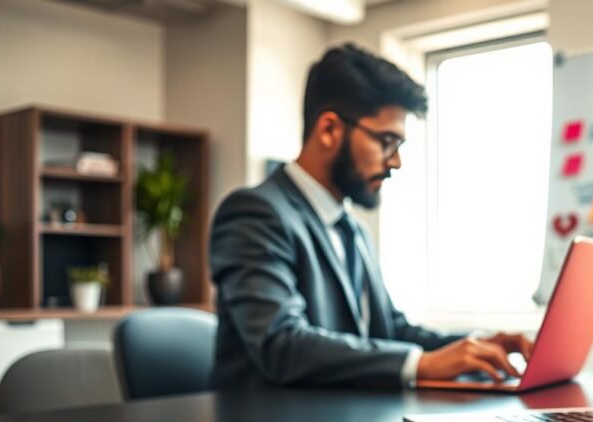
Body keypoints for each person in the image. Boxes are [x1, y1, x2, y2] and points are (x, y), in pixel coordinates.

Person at [209, 44, 533, 390]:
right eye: (387, 141)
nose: (396, 162)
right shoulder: (254, 214)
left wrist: (478, 344)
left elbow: (390, 331)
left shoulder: (353, 231)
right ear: (330, 129)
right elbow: (282, 344)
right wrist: (420, 364)